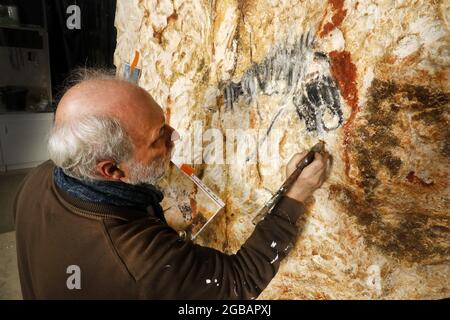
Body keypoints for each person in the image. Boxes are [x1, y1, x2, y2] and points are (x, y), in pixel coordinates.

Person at [14, 69, 330, 299]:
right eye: (159, 138)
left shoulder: (37, 179)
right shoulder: (142, 261)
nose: (174, 136)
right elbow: (239, 280)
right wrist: (297, 192)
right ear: (112, 169)